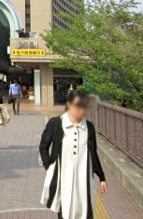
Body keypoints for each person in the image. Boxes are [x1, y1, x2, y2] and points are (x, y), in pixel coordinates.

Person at [39, 90, 108, 219]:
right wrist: (49, 167)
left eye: (84, 106)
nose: (81, 110)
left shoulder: (89, 127)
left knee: (85, 211)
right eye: (78, 106)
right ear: (69, 104)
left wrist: (101, 177)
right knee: (65, 211)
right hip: (63, 177)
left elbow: (93, 154)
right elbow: (43, 147)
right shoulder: (56, 124)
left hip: (83, 179)